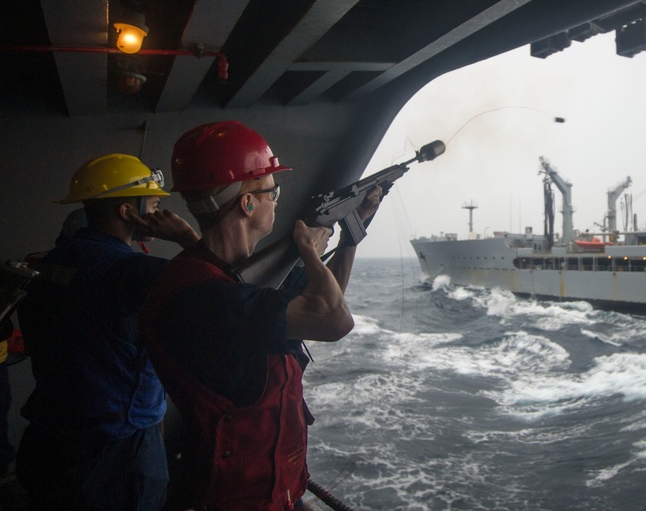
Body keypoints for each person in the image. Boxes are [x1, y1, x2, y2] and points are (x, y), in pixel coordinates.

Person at [140, 121, 381, 511]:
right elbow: (335, 321)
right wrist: (307, 250)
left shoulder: (230, 282)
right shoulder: (211, 299)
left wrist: (353, 230)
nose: (277, 201)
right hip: (236, 498)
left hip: (272, 490)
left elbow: (326, 298)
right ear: (247, 203)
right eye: (273, 191)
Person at [16, 153, 200, 511]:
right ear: (128, 211)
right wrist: (188, 239)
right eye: (152, 199)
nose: (160, 204)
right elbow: (221, 290)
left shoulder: (51, 261)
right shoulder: (134, 272)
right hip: (116, 452)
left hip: (50, 437)